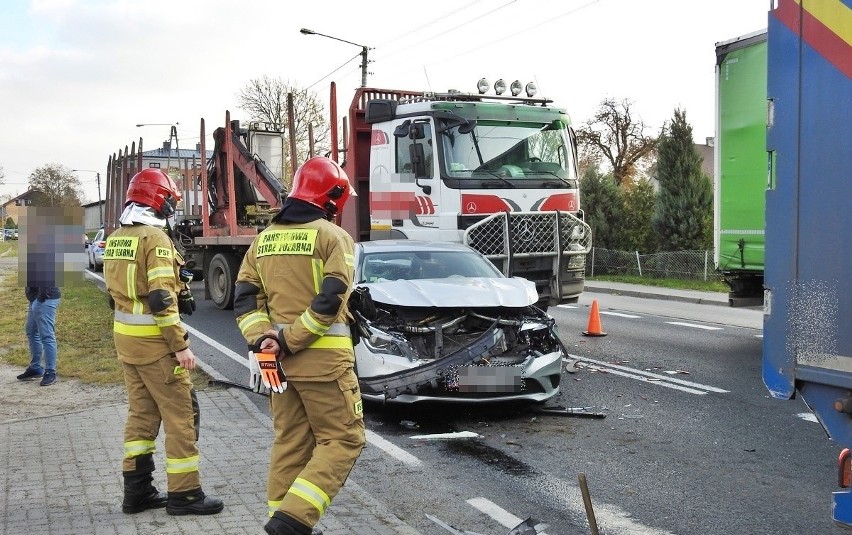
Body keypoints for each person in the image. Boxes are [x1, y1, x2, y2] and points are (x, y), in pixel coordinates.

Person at [235, 156, 366, 535]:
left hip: (271, 362)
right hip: (322, 362)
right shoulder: (333, 237)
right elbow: (330, 299)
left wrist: (265, 340)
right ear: (333, 197)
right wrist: (289, 341)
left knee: (289, 441)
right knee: (343, 438)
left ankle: (283, 519)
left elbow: (245, 298)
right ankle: (292, 522)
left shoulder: (262, 240)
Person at [103, 168, 222, 516]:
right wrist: (180, 345)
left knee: (141, 415)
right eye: (170, 199)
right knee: (181, 415)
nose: (172, 205)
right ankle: (185, 495)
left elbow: (115, 297)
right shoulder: (154, 240)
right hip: (156, 346)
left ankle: (137, 493)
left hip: (126, 343)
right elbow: (160, 300)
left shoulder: (116, 238)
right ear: (159, 199)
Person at [17, 285, 61, 386]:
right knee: (31, 331)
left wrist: (41, 298)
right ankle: (35, 368)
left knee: (46, 335)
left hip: (45, 298)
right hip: (37, 298)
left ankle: (50, 372)